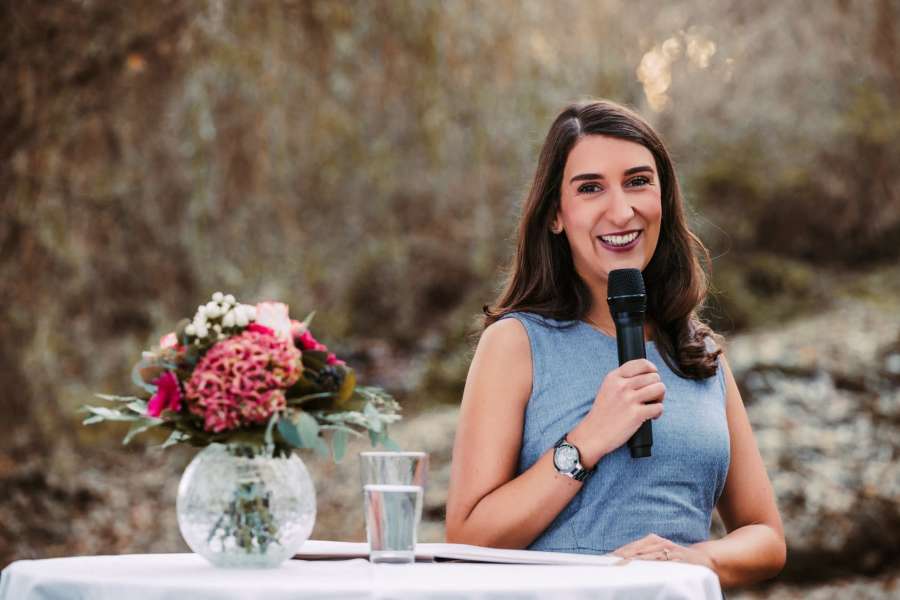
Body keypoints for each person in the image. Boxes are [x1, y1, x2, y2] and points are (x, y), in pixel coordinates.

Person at [445, 99, 786, 589]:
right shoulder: (516, 344)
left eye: (638, 181)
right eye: (590, 188)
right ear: (555, 214)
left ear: (664, 198)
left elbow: (766, 536)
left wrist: (694, 560)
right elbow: (466, 540)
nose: (622, 211)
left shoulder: (697, 351)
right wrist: (588, 439)